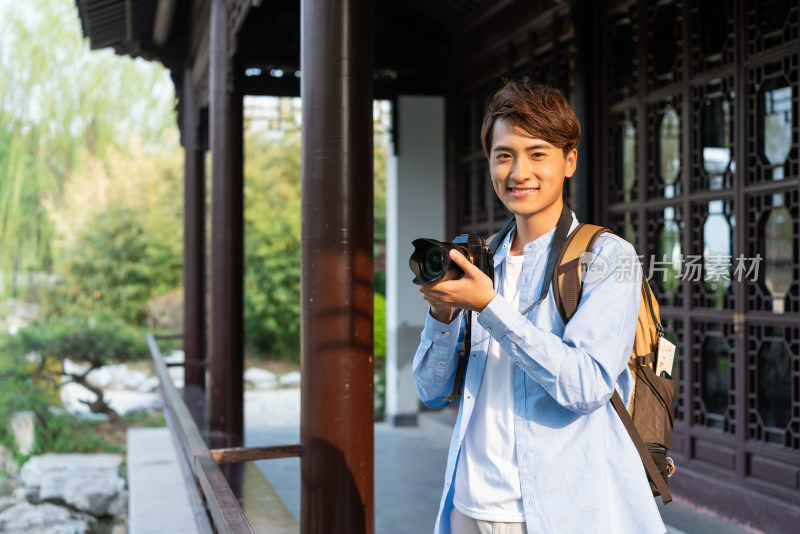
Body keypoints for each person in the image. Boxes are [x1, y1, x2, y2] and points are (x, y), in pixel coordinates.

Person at [412, 80, 666, 534]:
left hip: (556, 512)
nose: (519, 172)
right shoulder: (481, 258)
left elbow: (586, 387)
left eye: (537, 154)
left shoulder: (608, 258)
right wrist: (443, 314)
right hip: (467, 507)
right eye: (504, 155)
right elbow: (430, 392)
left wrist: (489, 306)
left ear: (569, 161)